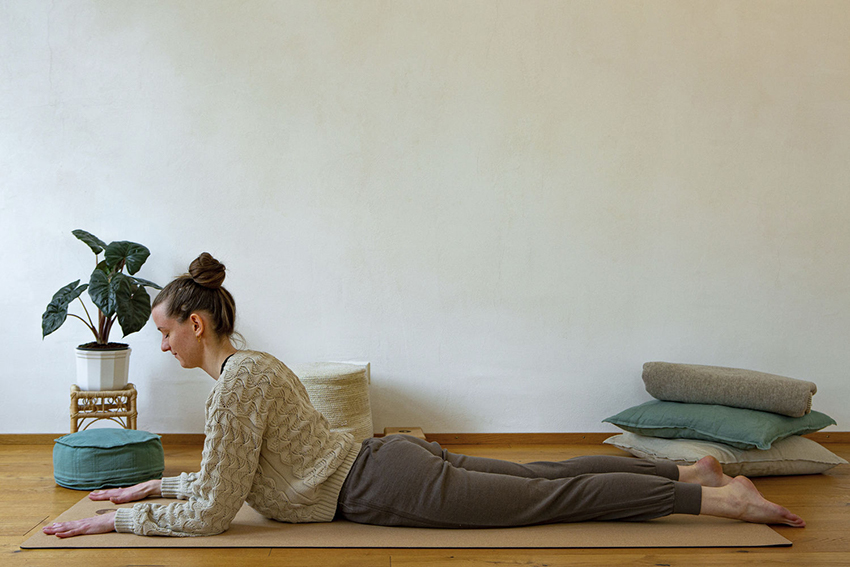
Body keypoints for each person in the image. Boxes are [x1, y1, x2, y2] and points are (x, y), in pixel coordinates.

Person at [43, 253, 805, 538]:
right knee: (544, 477)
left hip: (382, 483)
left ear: (197, 323)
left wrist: (128, 520)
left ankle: (723, 503)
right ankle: (691, 473)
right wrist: (156, 481)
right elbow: (222, 480)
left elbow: (214, 512)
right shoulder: (253, 366)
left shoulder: (235, 384)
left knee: (556, 499)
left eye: (166, 332)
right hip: (387, 460)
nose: (161, 343)